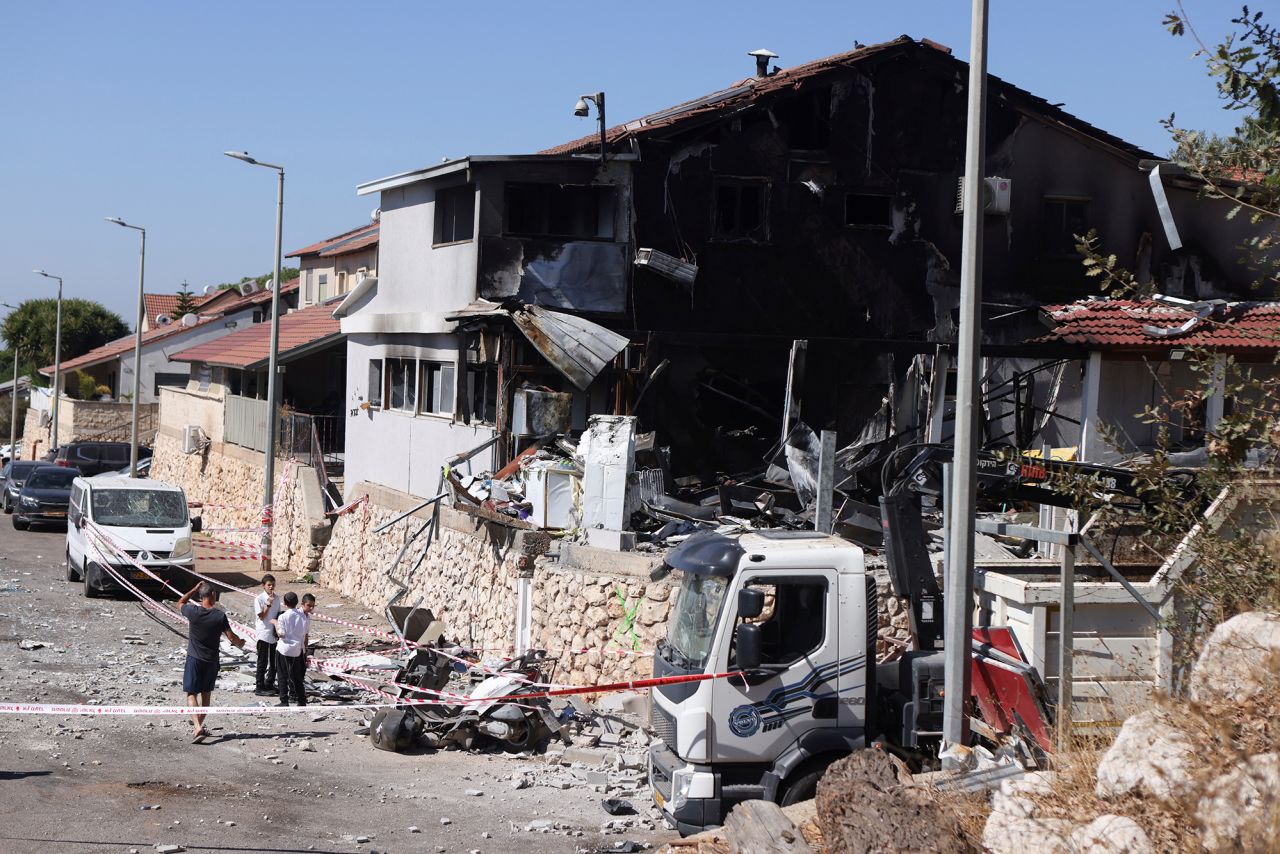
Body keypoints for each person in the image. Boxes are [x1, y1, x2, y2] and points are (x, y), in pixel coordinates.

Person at [177, 581, 246, 741]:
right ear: (213, 595)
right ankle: (198, 727)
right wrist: (241, 643)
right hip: (211, 660)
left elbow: (180, 602)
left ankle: (197, 727)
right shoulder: (219, 616)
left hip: (194, 658)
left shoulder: (193, 612)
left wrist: (194, 588)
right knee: (206, 695)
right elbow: (231, 637)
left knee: (191, 693)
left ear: (201, 596)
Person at [272, 592, 314, 706]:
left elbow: (281, 634)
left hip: (284, 650)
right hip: (296, 650)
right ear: (297, 603)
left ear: (285, 603)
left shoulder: (283, 616)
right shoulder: (303, 617)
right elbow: (305, 636)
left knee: (282, 675)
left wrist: (275, 623)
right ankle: (301, 700)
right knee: (296, 677)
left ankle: (284, 701)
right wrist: (304, 651)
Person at [253, 574, 281, 696]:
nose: (271, 587)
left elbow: (278, 614)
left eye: (273, 585)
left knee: (274, 661)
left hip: (273, 633)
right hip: (263, 632)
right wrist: (268, 604)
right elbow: (262, 616)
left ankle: (269, 683)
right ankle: (259, 686)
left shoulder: (277, 598)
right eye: (269, 585)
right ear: (263, 586)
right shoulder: (259, 599)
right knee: (262, 661)